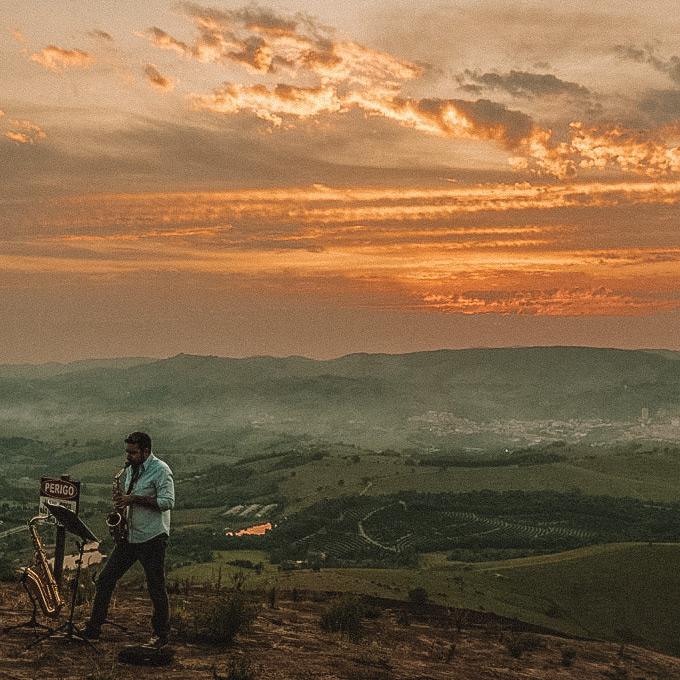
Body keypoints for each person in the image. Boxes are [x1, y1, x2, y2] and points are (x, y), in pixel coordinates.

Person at [84, 431, 175, 648]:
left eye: (133, 453)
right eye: (127, 452)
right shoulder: (129, 471)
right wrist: (121, 511)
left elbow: (167, 502)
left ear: (146, 451)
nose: (129, 456)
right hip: (129, 536)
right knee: (105, 579)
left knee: (155, 586)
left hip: (152, 537)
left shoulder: (161, 470)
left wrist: (133, 499)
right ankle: (93, 629)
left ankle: (161, 635)